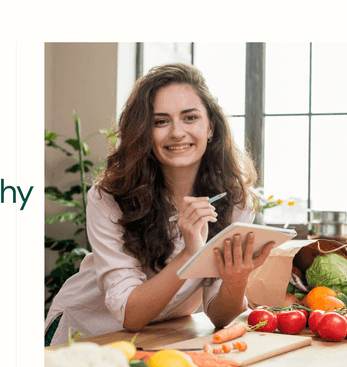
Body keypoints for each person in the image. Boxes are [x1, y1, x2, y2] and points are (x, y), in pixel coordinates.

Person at [44, 63, 275, 346]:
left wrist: (235, 281)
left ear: (210, 126)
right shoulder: (109, 197)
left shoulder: (234, 201)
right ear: (144, 132)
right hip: (85, 335)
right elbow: (130, 315)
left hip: (157, 338)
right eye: (161, 121)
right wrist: (190, 253)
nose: (177, 133)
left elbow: (220, 316)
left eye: (190, 117)